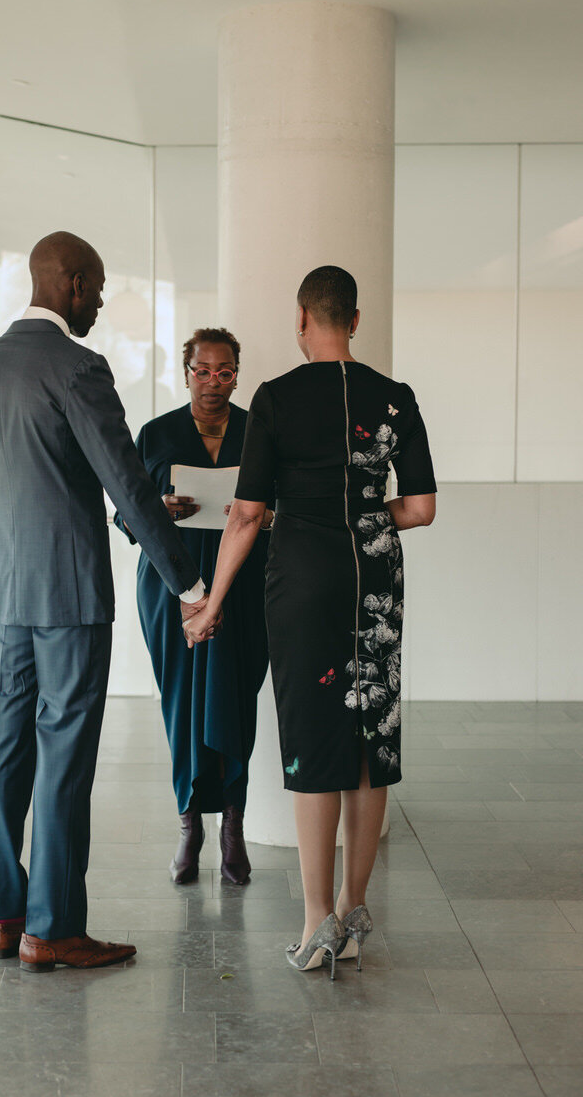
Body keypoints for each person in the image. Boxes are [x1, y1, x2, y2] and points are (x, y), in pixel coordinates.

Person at [0, 231, 216, 973]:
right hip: (70, 593)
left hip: (12, 592)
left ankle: (6, 915)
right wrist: (190, 587)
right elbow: (128, 485)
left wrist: (2, 569)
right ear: (69, 283)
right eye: (97, 285)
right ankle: (54, 927)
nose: (102, 299)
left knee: (7, 745)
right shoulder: (77, 368)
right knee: (64, 754)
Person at [184, 266, 436, 977]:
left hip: (301, 578)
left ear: (303, 320)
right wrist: (362, 520)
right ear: (353, 320)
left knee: (312, 729)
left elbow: (247, 513)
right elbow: (419, 508)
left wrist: (212, 601)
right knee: (370, 729)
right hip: (375, 576)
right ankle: (356, 910)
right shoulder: (395, 398)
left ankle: (314, 920)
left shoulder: (275, 399)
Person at [115, 329, 271, 885]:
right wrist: (157, 510)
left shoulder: (259, 431)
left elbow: (290, 506)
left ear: (237, 373)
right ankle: (189, 827)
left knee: (236, 699)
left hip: (245, 584)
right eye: (202, 371)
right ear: (185, 373)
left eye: (224, 371)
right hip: (171, 591)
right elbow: (124, 514)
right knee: (180, 703)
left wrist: (264, 515)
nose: (213, 382)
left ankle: (233, 827)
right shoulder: (156, 434)